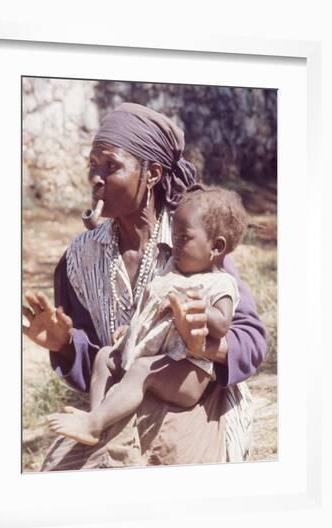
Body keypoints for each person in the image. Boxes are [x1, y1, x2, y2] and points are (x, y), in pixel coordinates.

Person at [22, 102, 267, 469]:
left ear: (151, 173)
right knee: (64, 474)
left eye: (111, 166)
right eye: (93, 166)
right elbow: (99, 364)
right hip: (120, 400)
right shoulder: (79, 258)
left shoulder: (195, 245)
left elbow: (252, 340)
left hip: (193, 399)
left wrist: (204, 341)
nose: (96, 178)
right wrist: (65, 346)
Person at [45, 184, 247, 446]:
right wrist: (132, 329)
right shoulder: (171, 268)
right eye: (173, 237)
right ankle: (96, 419)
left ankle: (95, 424)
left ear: (216, 247)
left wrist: (197, 310)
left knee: (142, 370)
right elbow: (151, 309)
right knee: (105, 355)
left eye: (184, 238)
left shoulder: (219, 284)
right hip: (153, 353)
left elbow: (222, 325)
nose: (175, 245)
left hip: (187, 371)